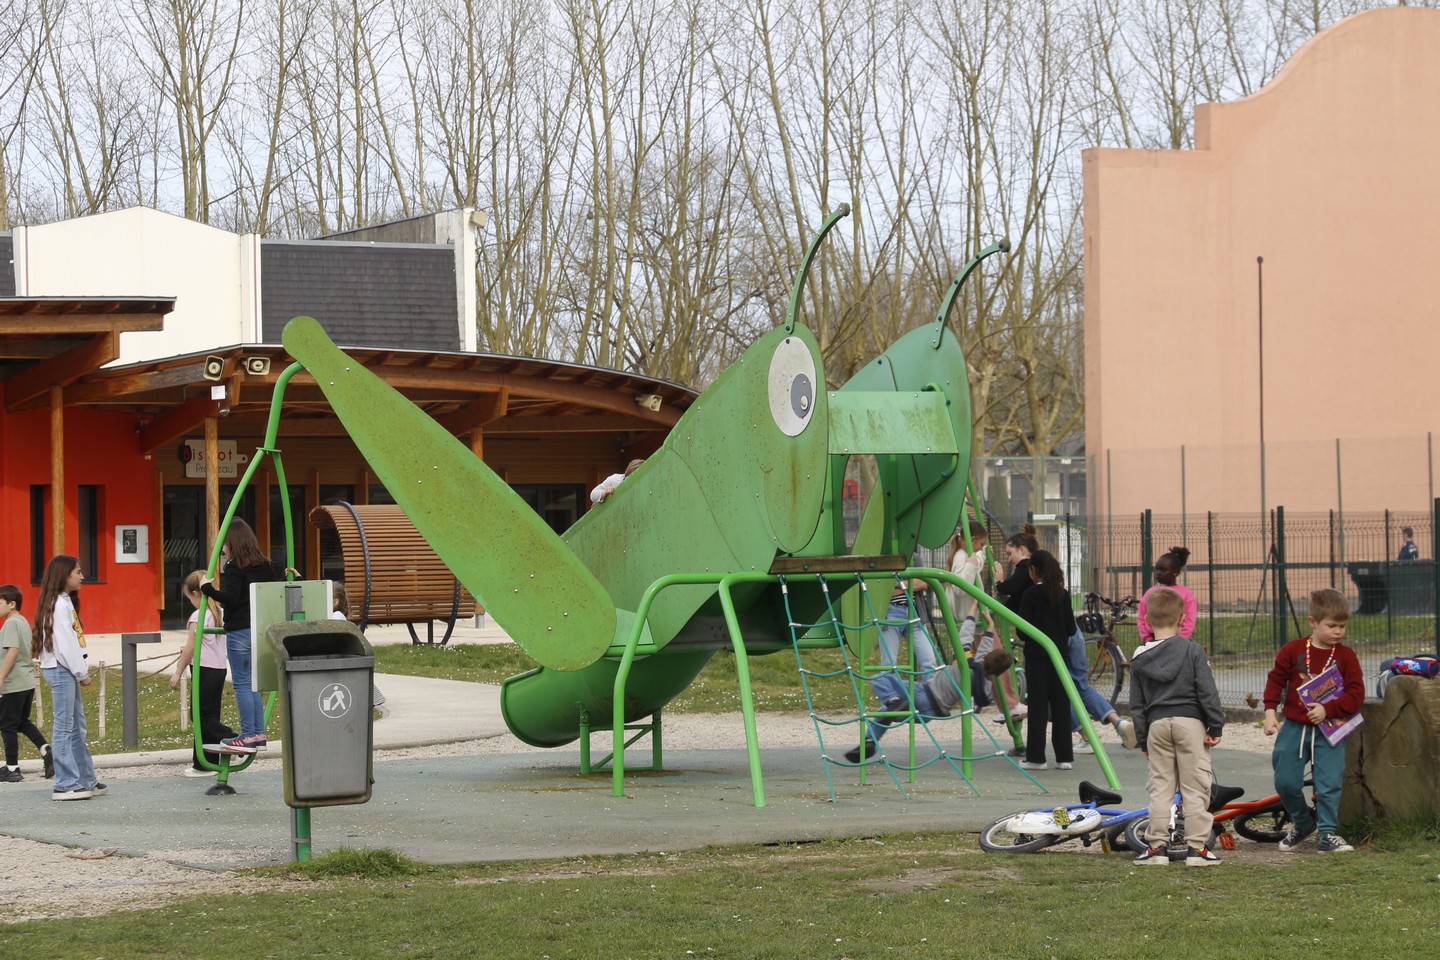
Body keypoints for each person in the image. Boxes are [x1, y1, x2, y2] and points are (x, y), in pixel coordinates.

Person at [1262, 588, 1364, 855]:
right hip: (1295, 727)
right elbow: (1275, 680)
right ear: (1313, 622)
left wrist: (1328, 709)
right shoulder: (1293, 650)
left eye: (1342, 626)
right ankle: (1302, 821)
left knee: (1329, 782)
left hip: (1330, 730)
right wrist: (1270, 712)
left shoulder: (1346, 656)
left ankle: (1328, 833)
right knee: (1285, 779)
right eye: (1331, 626)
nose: (1338, 631)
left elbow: (1356, 693)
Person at [1128, 586, 1225, 866]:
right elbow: (1207, 691)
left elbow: (1137, 704)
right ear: (1182, 619)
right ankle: (1197, 849)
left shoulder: (1139, 659)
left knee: (1161, 787)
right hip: (1189, 722)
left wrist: (1144, 739)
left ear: (1146, 620)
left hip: (1157, 724)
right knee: (1195, 787)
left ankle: (1156, 847)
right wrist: (1215, 726)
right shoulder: (1192, 651)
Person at [200, 518, 287, 754]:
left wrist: (207, 590)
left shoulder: (234, 566)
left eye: (225, 543)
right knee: (254, 685)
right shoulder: (266, 565)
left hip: (239, 631)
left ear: (232, 543)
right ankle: (258, 733)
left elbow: (231, 597)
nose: (223, 548)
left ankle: (248, 734)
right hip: (260, 630)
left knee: (242, 684)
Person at [32, 556, 103, 801]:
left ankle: (85, 779)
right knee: (65, 727)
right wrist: (81, 672)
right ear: (65, 575)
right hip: (62, 670)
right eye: (78, 572)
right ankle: (65, 784)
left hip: (64, 669)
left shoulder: (62, 601)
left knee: (76, 727)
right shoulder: (59, 605)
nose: (82, 576)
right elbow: (64, 645)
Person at [1015, 550, 1076, 771]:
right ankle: (1064, 757)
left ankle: (1036, 757)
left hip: (1037, 657)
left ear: (1033, 570)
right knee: (1061, 706)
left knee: (1038, 707)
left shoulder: (1030, 595)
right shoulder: (1064, 594)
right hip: (1059, 657)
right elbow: (1070, 629)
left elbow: (1022, 630)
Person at [171, 570, 236, 777]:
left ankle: (232, 740)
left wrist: (177, 671)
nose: (191, 602)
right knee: (209, 715)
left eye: (189, 597)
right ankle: (205, 762)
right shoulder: (218, 612)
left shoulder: (198, 616)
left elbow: (190, 646)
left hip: (203, 669)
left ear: (195, 593)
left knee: (199, 716)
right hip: (218, 669)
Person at [0, 584, 52, 782]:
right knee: (21, 722)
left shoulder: (11, 624)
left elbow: (12, 651)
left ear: (12, 604)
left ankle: (12, 768)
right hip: (26, 681)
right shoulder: (22, 622)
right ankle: (47, 751)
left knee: (6, 725)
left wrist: (1, 676)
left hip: (14, 682)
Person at [990, 523, 1040, 722]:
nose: (1009, 559)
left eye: (1010, 554)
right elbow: (1015, 603)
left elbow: (1010, 586)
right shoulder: (1029, 571)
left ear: (1022, 550)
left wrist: (999, 582)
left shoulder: (1026, 567)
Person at [1135, 547, 1197, 646]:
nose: (1158, 573)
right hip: (1153, 641)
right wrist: (1148, 639)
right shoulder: (1150, 593)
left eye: (1163, 570)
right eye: (1157, 569)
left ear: (1175, 572)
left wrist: (1178, 641)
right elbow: (1142, 617)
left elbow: (1189, 621)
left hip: (1178, 643)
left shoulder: (1186, 595)